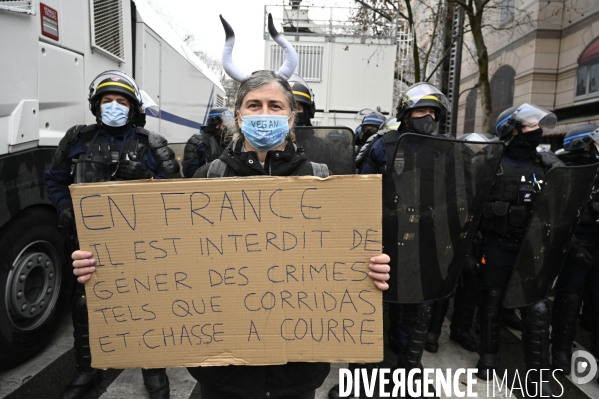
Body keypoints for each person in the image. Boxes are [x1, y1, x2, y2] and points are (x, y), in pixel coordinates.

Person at [72, 15, 391, 399]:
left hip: (298, 371)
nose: (264, 113)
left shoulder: (322, 178)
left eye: (275, 106)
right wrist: (105, 262)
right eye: (254, 105)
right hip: (223, 370)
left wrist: (369, 269)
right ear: (238, 116)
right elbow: (167, 258)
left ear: (291, 118)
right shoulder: (208, 178)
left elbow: (342, 257)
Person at [45, 70, 181, 399]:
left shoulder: (153, 144)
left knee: (150, 303)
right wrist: (66, 210)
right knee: (86, 306)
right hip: (90, 244)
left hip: (143, 245)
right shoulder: (76, 139)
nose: (114, 106)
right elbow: (54, 179)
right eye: (108, 101)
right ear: (96, 105)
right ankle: (87, 370)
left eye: (121, 102)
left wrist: (148, 178)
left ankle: (154, 370)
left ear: (133, 108)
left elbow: (179, 193)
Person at [476, 103, 562, 396]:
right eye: (529, 126)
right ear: (512, 131)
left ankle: (539, 375)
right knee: (491, 302)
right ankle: (487, 359)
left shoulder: (548, 165)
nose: (537, 131)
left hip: (531, 250)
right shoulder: (491, 163)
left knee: (536, 308)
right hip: (497, 246)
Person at [551, 124, 599, 376]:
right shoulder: (564, 172)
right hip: (575, 244)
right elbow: (553, 215)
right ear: (584, 145)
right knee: (569, 299)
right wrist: (572, 245)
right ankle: (560, 349)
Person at [182, 107, 233, 178]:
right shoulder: (198, 141)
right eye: (227, 122)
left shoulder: (228, 141)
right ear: (216, 124)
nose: (230, 125)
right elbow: (190, 173)